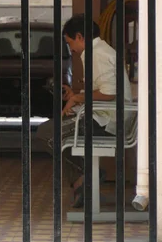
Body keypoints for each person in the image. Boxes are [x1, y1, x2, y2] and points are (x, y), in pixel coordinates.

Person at [35, 13, 133, 208]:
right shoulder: (100, 51)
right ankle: (84, 180)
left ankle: (85, 177)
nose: (70, 48)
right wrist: (76, 94)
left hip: (107, 122)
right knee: (56, 131)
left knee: (47, 133)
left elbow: (109, 93)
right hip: (107, 117)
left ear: (80, 37)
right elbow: (104, 89)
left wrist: (77, 98)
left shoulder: (95, 54)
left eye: (70, 42)